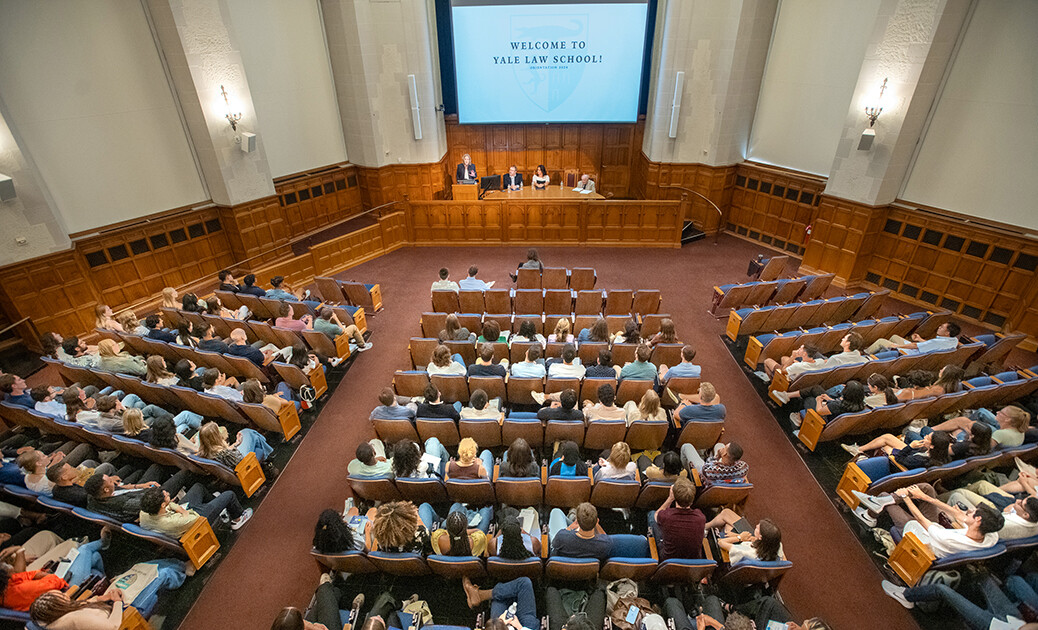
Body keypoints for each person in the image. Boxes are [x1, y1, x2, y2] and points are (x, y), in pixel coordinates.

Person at [865, 484, 1003, 558]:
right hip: (934, 528)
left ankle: (869, 516)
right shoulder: (991, 535)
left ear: (978, 520)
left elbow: (921, 519)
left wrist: (905, 497)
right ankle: (884, 501)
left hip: (919, 540)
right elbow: (958, 515)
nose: (970, 511)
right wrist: (925, 497)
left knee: (884, 497)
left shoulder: (947, 538)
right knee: (927, 488)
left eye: (974, 513)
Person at [883, 572, 1038, 629]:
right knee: (983, 576)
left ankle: (906, 596)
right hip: (1015, 619)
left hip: (992, 626)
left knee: (942, 590)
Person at [139, 485, 252, 534]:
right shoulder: (173, 522)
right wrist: (182, 511)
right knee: (229, 495)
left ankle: (219, 507)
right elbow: (194, 518)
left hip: (179, 514)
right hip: (195, 520)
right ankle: (238, 518)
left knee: (198, 488)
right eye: (167, 496)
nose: (169, 493)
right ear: (163, 505)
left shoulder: (144, 512)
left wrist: (174, 506)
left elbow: (171, 505)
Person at [649, 478, 705, 560]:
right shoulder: (700, 517)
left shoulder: (667, 516)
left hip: (667, 559)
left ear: (675, 496)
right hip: (692, 560)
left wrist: (670, 498)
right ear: (692, 499)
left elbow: (656, 515)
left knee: (651, 514)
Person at [705, 508, 784, 563]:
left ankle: (704, 528)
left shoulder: (747, 552)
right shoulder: (777, 546)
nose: (755, 526)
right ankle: (706, 527)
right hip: (752, 544)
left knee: (728, 526)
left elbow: (720, 542)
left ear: (761, 537)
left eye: (757, 528)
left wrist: (739, 537)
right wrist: (747, 537)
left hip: (735, 552)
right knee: (726, 513)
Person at [462, 576, 538, 630]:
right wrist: (519, 627)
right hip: (523, 626)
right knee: (524, 584)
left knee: (500, 599)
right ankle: (479, 595)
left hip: (499, 626)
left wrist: (498, 625)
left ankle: (479, 596)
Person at [197, 422, 273, 467]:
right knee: (248, 433)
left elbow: (230, 454)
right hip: (244, 463)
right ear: (215, 437)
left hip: (236, 458)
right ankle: (268, 458)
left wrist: (236, 443)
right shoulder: (224, 453)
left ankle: (267, 460)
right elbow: (239, 459)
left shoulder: (207, 451)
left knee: (248, 435)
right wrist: (237, 446)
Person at [865, 321, 962, 355]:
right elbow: (933, 345)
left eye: (942, 327)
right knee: (894, 337)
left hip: (912, 353)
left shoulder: (937, 342)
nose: (939, 327)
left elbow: (915, 346)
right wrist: (920, 340)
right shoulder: (954, 340)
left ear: (947, 333)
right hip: (920, 350)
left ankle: (866, 354)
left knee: (881, 341)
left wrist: (898, 345)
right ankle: (884, 353)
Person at [681, 442, 748, 485]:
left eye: (724, 448)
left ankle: (687, 471)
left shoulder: (710, 470)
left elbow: (707, 463)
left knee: (686, 446)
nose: (722, 448)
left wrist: (716, 457)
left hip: (705, 475)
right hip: (725, 477)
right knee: (719, 444)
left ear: (725, 454)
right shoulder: (744, 467)